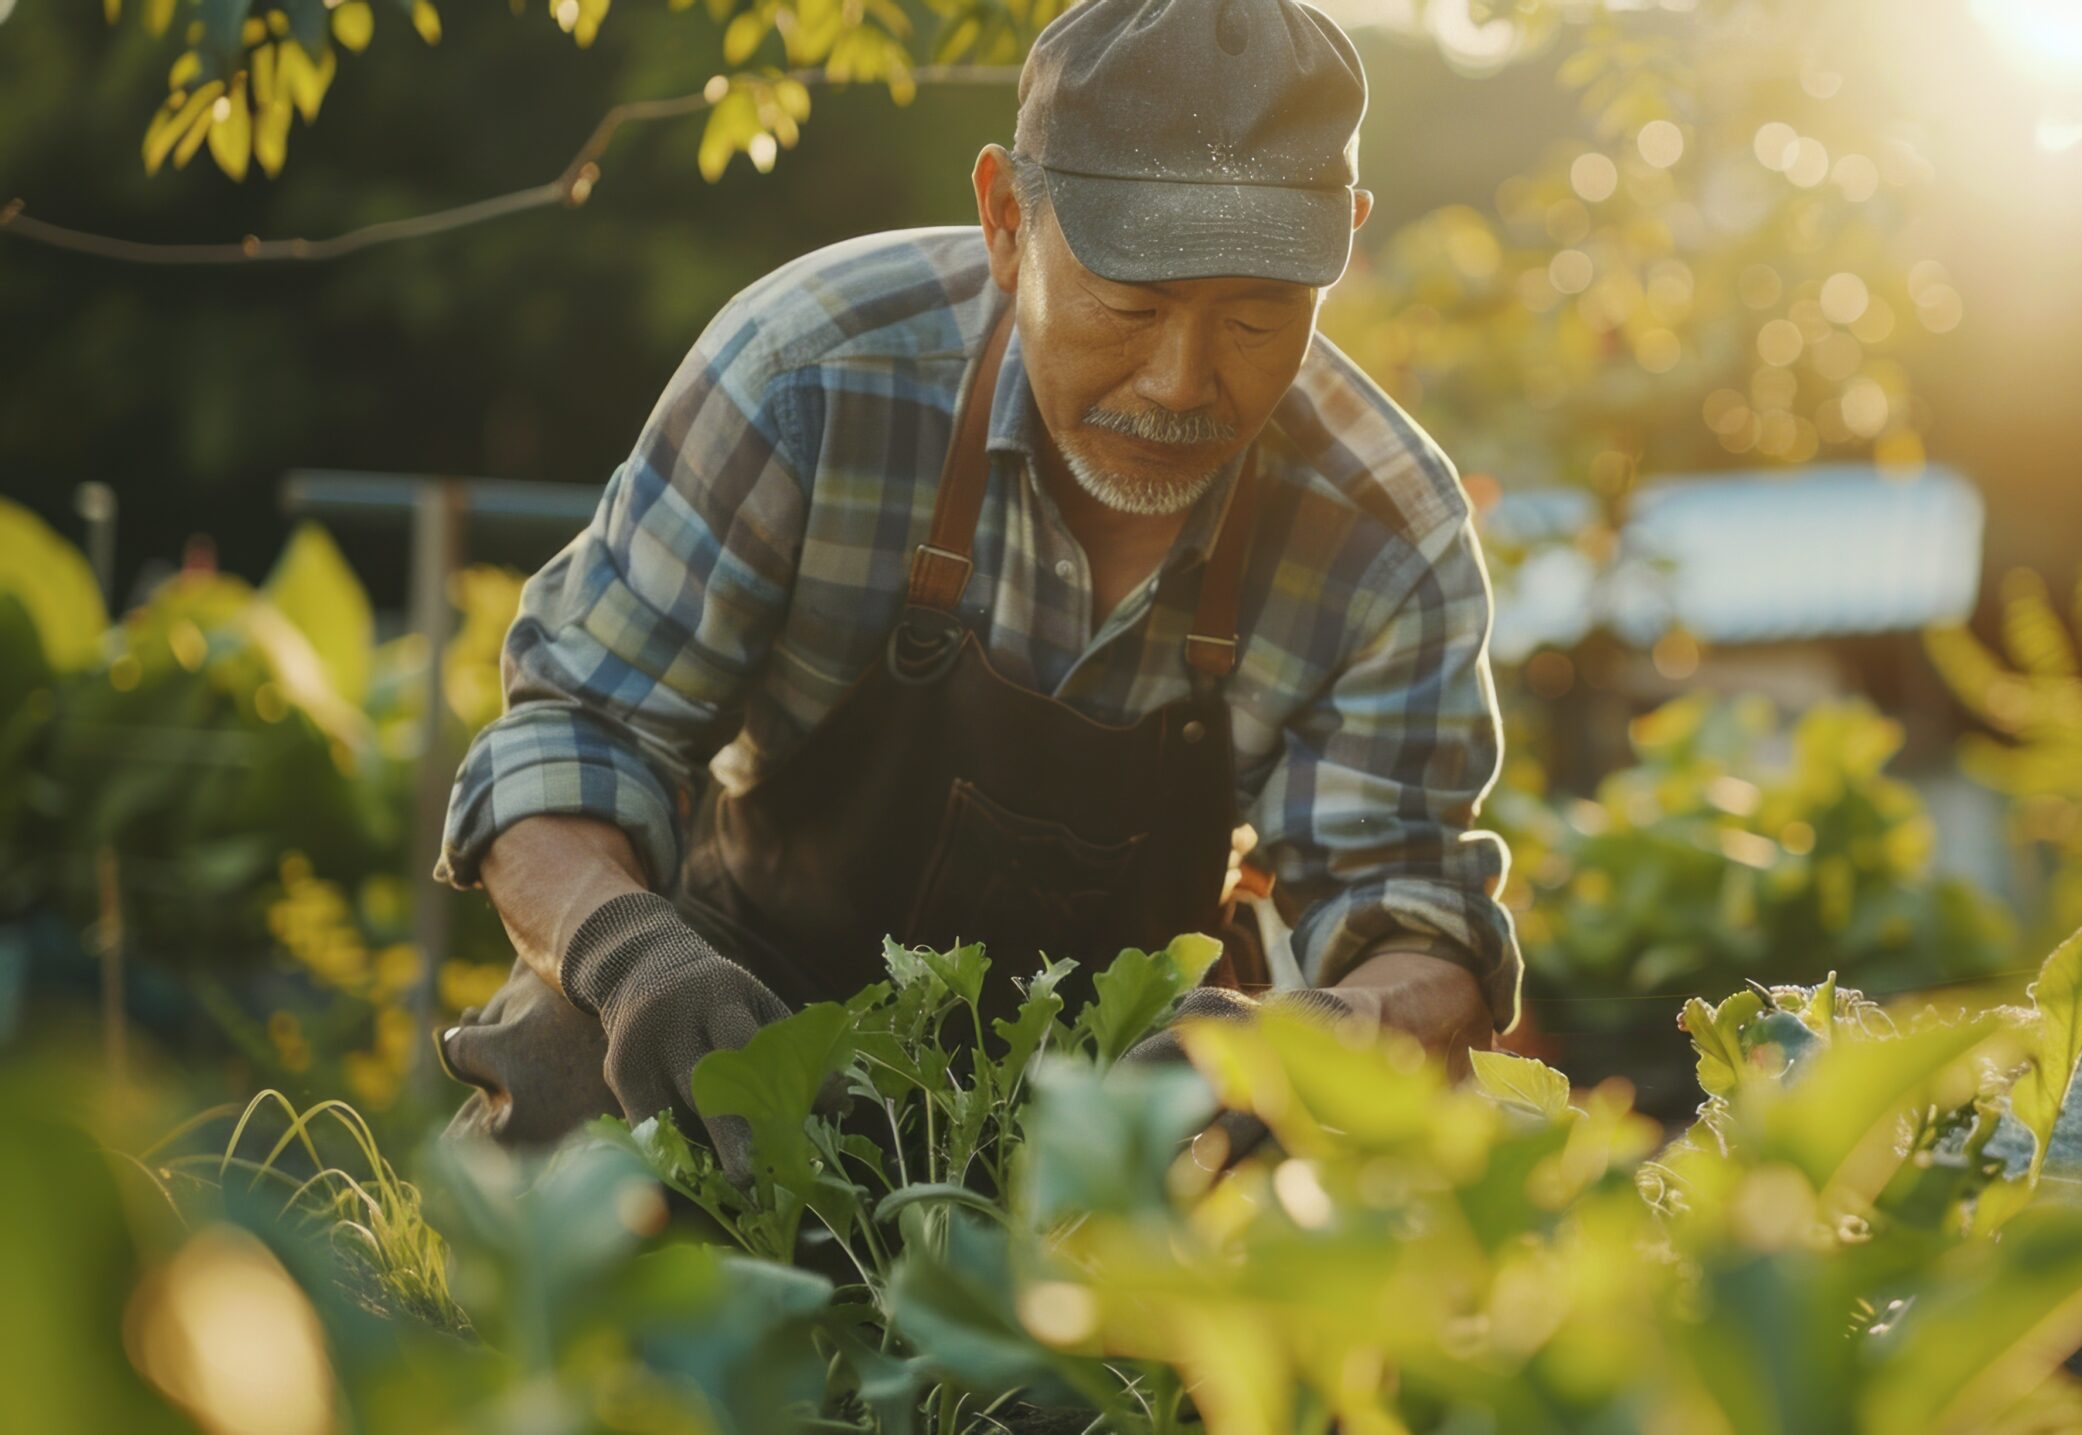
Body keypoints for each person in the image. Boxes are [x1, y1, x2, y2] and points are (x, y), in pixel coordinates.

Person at [431, 0, 1519, 1172]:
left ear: (1342, 243)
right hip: (755, 1013)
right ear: (1006, 219)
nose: (1179, 381)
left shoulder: (1384, 530)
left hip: (1131, 1094)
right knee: (568, 1057)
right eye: (1129, 304)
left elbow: (1418, 926)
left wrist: (1305, 1040)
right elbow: (575, 735)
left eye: (1257, 317)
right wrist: (632, 957)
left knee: (1359, 1168)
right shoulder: (807, 378)